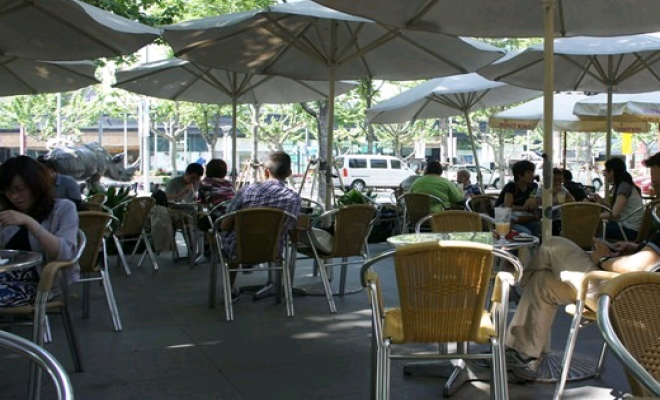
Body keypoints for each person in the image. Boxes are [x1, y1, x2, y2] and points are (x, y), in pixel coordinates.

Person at [504, 152, 660, 382]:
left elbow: (633, 268)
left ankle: (519, 281)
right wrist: (635, 247)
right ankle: (524, 356)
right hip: (630, 292)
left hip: (626, 298)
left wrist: (602, 258)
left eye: (657, 185)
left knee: (554, 245)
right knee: (543, 283)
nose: (653, 192)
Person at [220, 151, 301, 302]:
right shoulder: (293, 198)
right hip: (273, 251)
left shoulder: (246, 191)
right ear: (289, 173)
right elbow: (290, 229)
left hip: (238, 250)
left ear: (266, 172)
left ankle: (229, 288)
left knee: (229, 239)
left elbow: (225, 225)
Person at [0, 156, 80, 307]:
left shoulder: (63, 209)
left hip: (42, 282)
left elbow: (65, 253)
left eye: (20, 189)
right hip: (7, 275)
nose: (14, 197)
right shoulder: (6, 213)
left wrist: (29, 222)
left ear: (36, 184)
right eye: (8, 191)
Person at [592, 157, 644, 241]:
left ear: (612, 172)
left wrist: (593, 216)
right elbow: (616, 210)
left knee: (592, 226)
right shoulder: (625, 184)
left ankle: (594, 247)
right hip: (630, 228)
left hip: (629, 231)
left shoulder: (624, 186)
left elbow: (614, 213)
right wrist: (602, 203)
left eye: (605, 171)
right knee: (595, 225)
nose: (604, 175)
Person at [494, 160, 541, 237]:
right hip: (505, 220)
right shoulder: (511, 186)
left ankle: (535, 245)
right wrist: (524, 208)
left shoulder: (533, 186)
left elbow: (533, 200)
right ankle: (524, 245)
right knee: (526, 233)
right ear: (519, 175)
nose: (532, 175)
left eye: (532, 172)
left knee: (536, 226)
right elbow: (507, 206)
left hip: (520, 218)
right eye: (529, 172)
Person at [550, 168, 575, 235]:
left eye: (560, 180)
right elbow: (539, 203)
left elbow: (572, 200)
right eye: (555, 180)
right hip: (548, 217)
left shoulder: (562, 188)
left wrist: (564, 201)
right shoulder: (543, 189)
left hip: (561, 216)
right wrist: (552, 193)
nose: (558, 183)